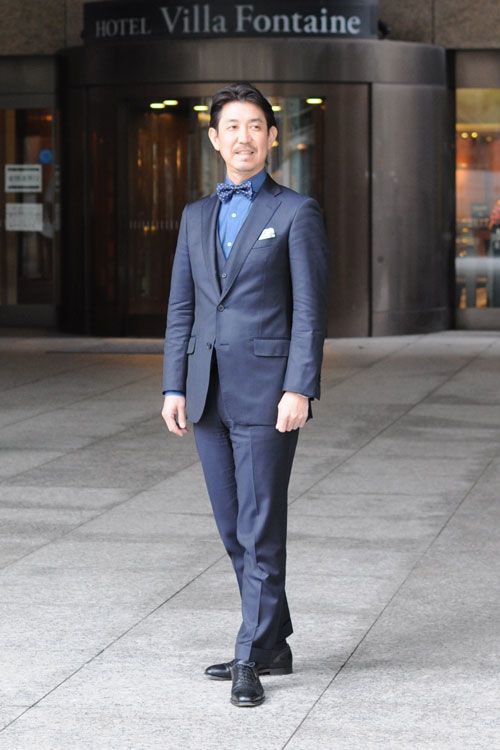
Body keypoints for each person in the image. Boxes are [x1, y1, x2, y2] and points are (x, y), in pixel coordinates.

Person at [161, 82, 329, 707]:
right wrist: (173, 383)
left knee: (260, 528)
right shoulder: (195, 216)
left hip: (267, 394)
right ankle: (274, 642)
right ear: (214, 138)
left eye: (255, 126)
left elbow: (309, 310)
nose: (244, 137)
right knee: (233, 528)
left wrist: (299, 386)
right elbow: (182, 307)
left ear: (272, 137)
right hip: (206, 393)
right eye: (232, 126)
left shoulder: (296, 212)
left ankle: (248, 656)